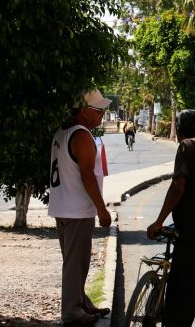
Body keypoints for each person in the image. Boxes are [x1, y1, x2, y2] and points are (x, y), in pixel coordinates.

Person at [147, 109, 195, 325]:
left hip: (191, 238)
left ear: (181, 131)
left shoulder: (187, 147)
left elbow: (178, 187)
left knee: (179, 306)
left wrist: (159, 221)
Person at [48, 89, 112, 325]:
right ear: (84, 112)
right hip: (76, 209)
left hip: (62, 206)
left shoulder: (62, 132)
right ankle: (72, 312)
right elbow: (87, 177)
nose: (102, 116)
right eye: (99, 111)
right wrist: (102, 210)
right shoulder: (82, 136)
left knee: (75, 261)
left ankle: (82, 302)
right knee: (76, 263)